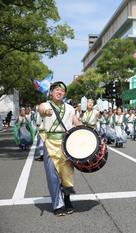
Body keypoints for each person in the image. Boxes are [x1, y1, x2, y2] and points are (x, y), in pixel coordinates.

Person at [38, 81, 81, 216]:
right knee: (53, 176)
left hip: (66, 144)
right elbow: (41, 110)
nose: (59, 92)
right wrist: (47, 111)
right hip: (50, 143)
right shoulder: (45, 105)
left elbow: (76, 122)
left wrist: (88, 133)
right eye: (56, 89)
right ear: (51, 92)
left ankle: (67, 200)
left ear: (64, 94)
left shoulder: (69, 108)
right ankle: (58, 204)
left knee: (67, 173)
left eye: (62, 90)